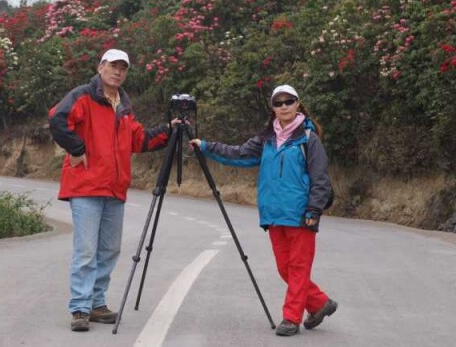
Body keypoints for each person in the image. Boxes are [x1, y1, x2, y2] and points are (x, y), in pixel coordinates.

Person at [190, 84, 337, 337]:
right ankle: (320, 303)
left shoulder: (308, 139)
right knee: (285, 269)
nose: (284, 107)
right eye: (278, 103)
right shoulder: (266, 139)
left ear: (298, 104)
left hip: (301, 215)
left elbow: (320, 179)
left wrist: (314, 210)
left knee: (299, 269)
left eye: (288, 102)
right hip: (273, 214)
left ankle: (291, 319)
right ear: (273, 108)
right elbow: (237, 154)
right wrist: (206, 146)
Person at [48, 49, 174, 332]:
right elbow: (57, 119)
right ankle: (80, 307)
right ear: (101, 67)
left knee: (109, 250)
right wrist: (77, 148)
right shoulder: (83, 96)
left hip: (115, 189)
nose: (118, 72)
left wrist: (170, 130)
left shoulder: (125, 107)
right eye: (113, 66)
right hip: (86, 186)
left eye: (123, 68)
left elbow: (139, 140)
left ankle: (96, 303)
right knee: (86, 250)